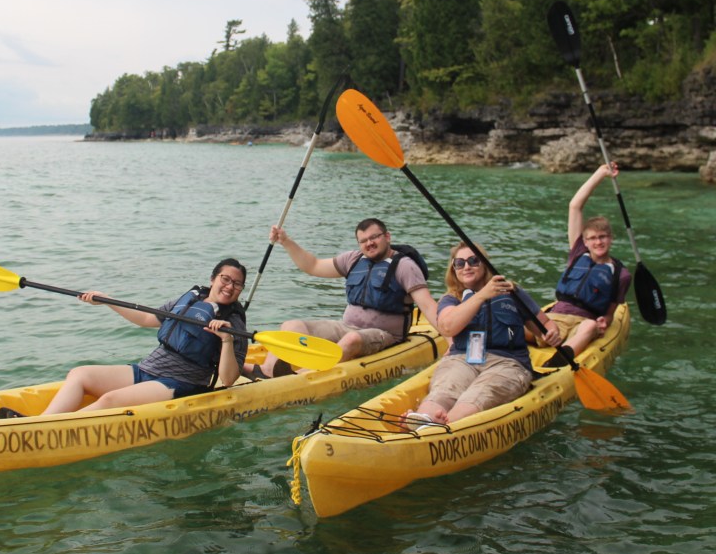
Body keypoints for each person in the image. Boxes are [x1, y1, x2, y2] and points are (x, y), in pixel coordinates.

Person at [0, 259, 249, 418]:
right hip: (148, 369)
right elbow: (147, 320)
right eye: (225, 279)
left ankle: (44, 430)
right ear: (213, 279)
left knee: (110, 400)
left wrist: (225, 340)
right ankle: (41, 423)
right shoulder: (189, 299)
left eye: (237, 284)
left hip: (180, 382)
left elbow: (228, 379)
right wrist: (105, 300)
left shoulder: (233, 322)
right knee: (80, 374)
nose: (229, 286)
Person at [402, 242, 562, 429]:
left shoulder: (511, 292)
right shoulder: (451, 299)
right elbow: (447, 327)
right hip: (462, 359)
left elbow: (545, 325)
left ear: (484, 264)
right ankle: (423, 418)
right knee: (444, 391)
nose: (466, 267)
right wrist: (481, 296)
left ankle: (444, 425)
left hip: (507, 363)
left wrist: (552, 333)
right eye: (460, 263)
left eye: (473, 260)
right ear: (454, 269)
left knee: (479, 394)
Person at [251, 218, 438, 378]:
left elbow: (428, 306)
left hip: (385, 335)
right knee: (291, 326)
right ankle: (267, 371)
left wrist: (452, 341)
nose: (369, 243)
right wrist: (286, 241)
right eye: (363, 240)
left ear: (387, 237)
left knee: (352, 339)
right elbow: (313, 265)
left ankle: (302, 376)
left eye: (374, 237)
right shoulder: (354, 259)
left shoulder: (405, 266)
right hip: (346, 327)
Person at [528, 163, 632, 358]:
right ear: (585, 241)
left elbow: (610, 313)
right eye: (592, 238)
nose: (598, 242)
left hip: (583, 323)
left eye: (602, 237)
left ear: (611, 239)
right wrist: (601, 173)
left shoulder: (621, 274)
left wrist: (605, 321)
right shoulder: (578, 253)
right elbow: (575, 206)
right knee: (519, 316)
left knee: (590, 326)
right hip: (554, 320)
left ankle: (560, 361)